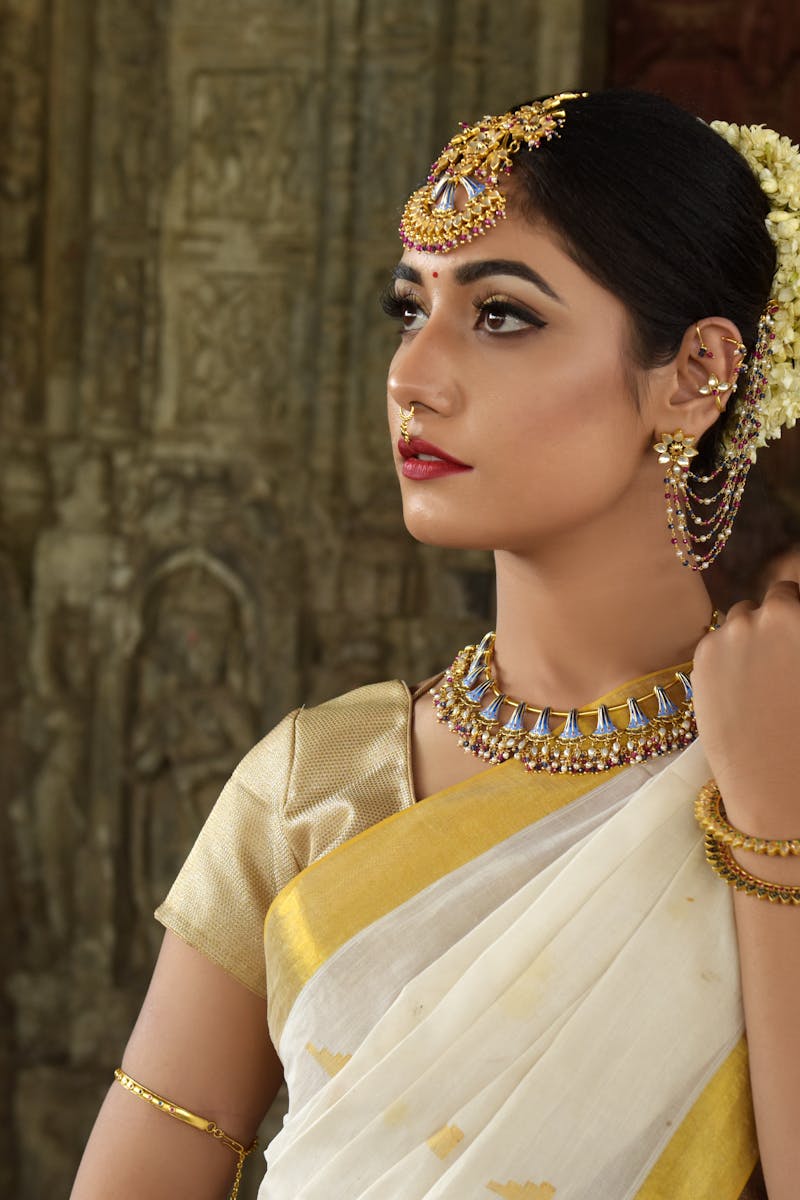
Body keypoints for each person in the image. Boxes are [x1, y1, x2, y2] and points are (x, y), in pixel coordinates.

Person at [71, 89, 800, 1200]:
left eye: (500, 314)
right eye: (408, 309)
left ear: (696, 372)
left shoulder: (779, 761)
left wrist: (774, 827)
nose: (409, 376)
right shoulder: (314, 787)